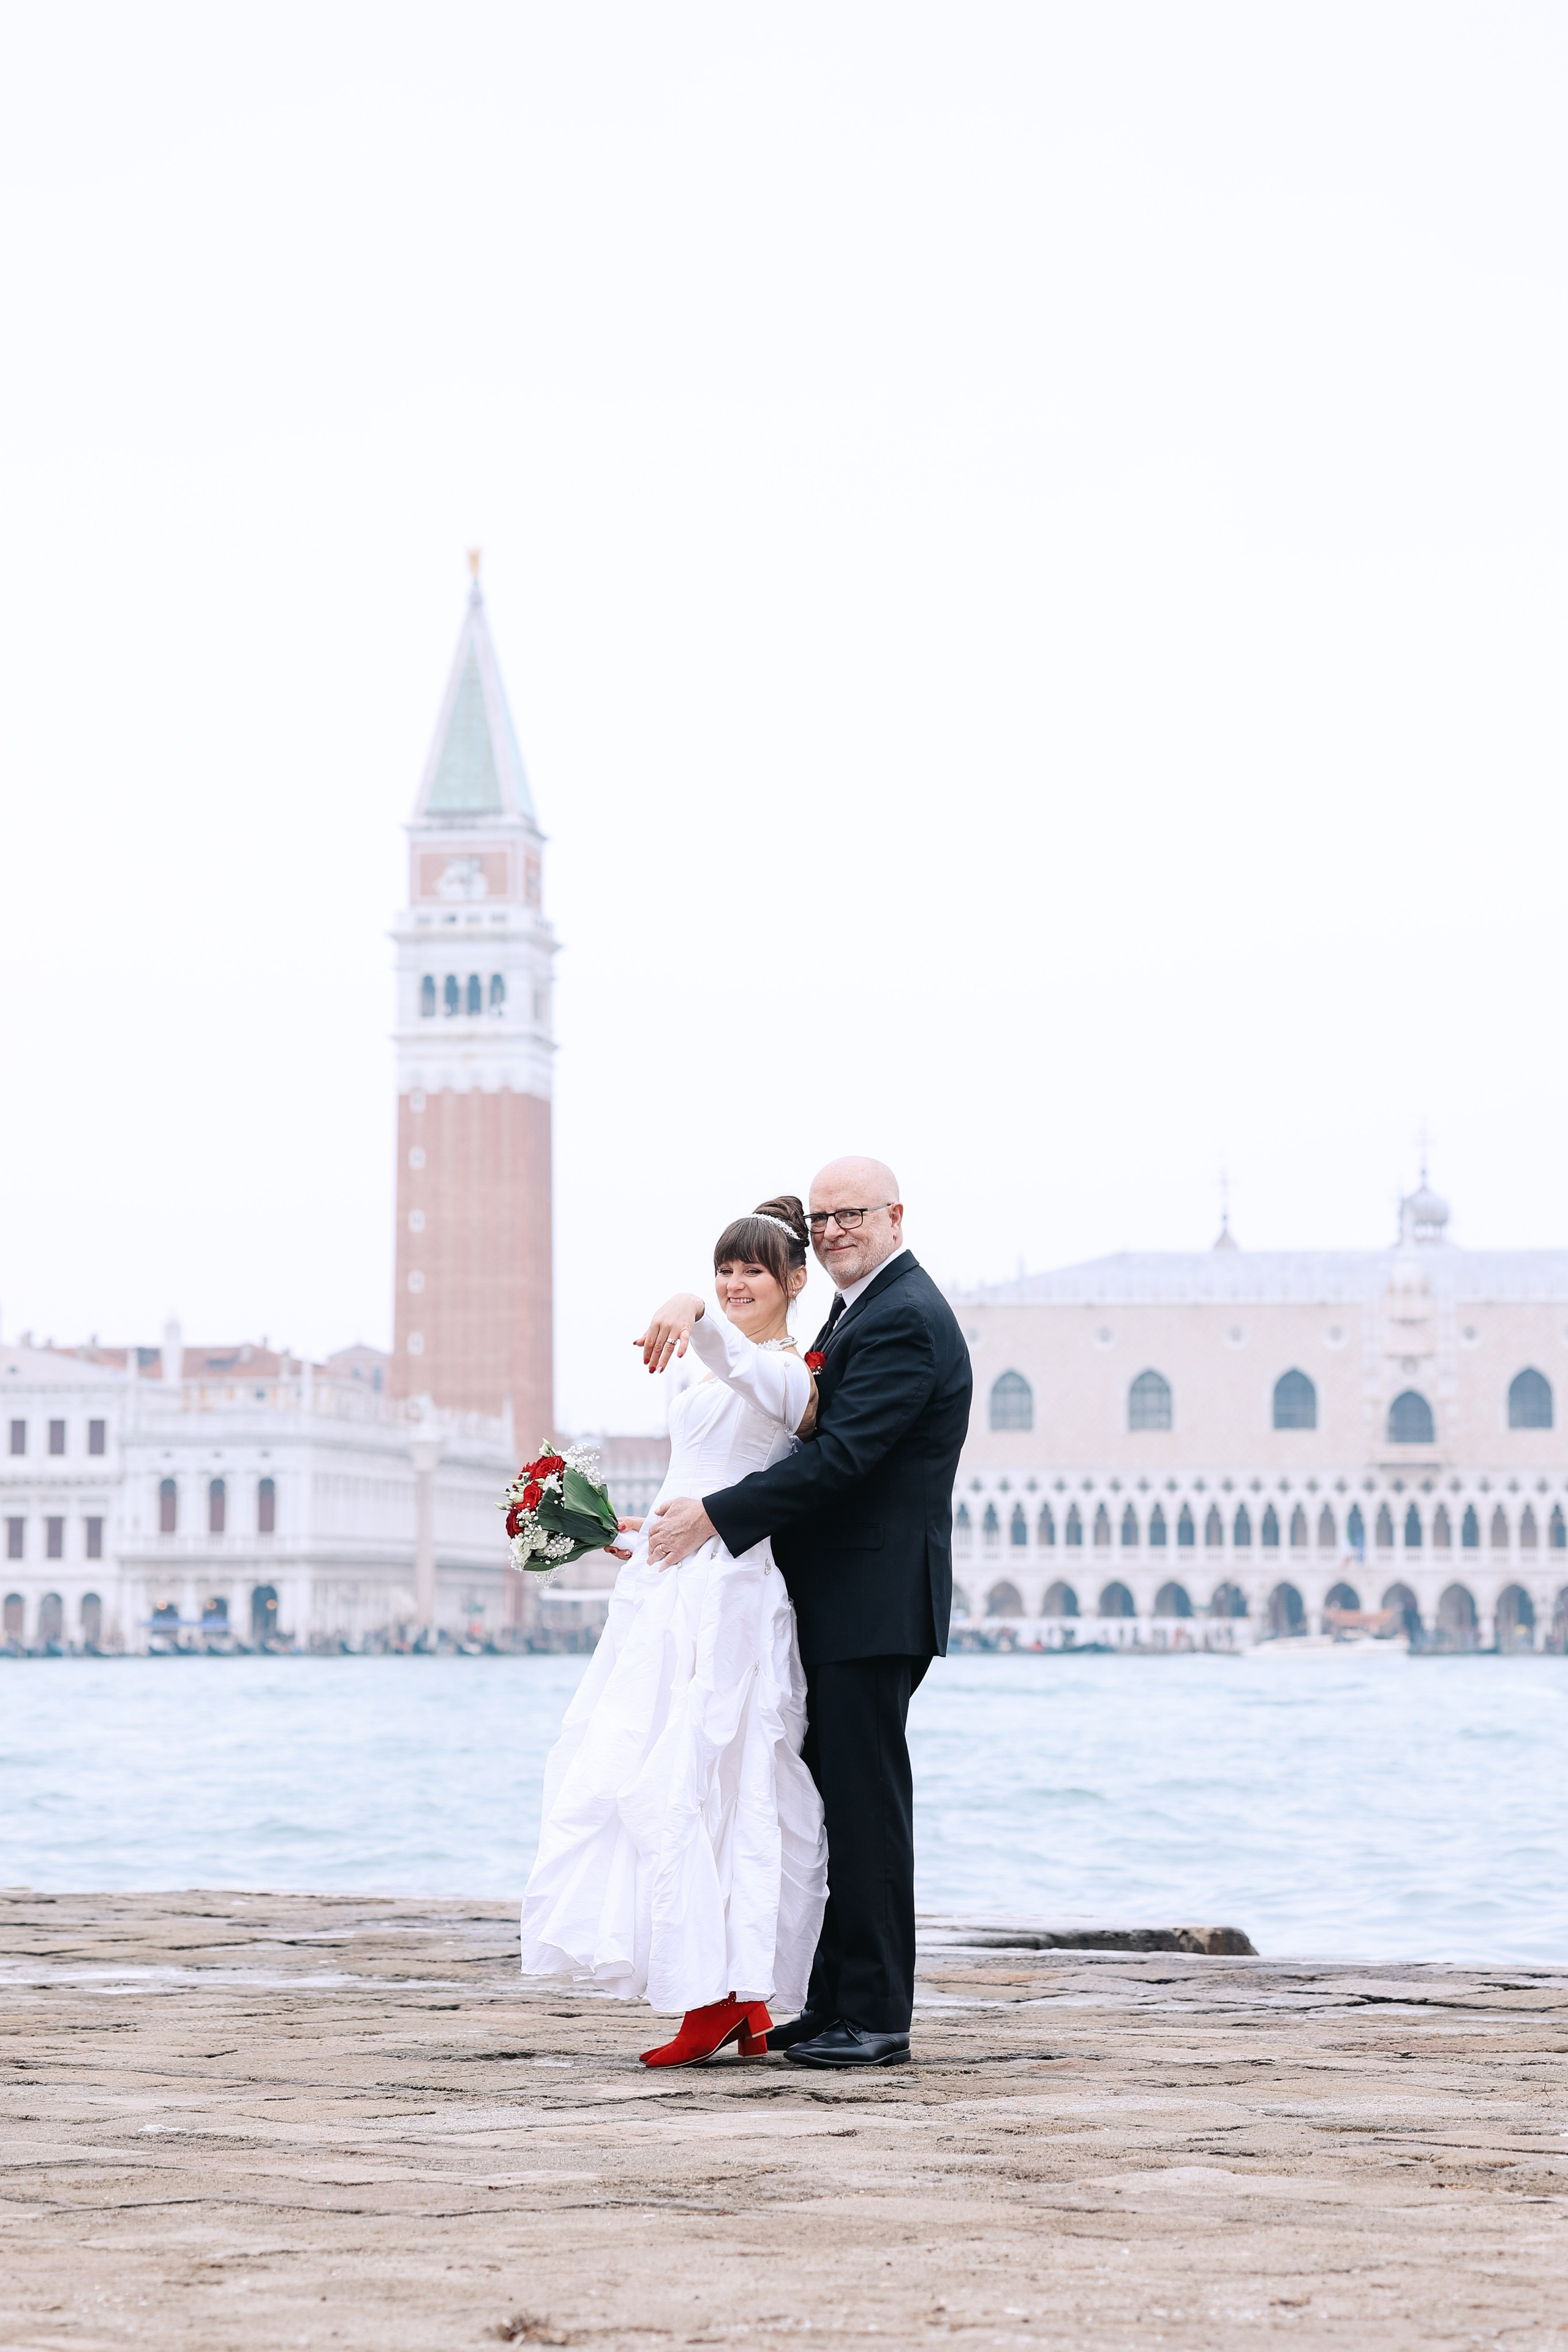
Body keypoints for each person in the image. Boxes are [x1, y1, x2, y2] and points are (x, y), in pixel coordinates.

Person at [647, 1157, 972, 2069]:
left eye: (850, 1215)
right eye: (821, 1217)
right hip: (839, 1598)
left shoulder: (905, 1317)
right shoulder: (863, 1307)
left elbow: (846, 1458)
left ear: (895, 1216)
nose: (831, 1230)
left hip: (873, 1601)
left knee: (868, 1812)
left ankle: (877, 2018)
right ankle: (832, 2006)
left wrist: (719, 1515)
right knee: (835, 1809)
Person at [518, 1197, 827, 2067]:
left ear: (793, 1283)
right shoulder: (701, 1373)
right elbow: (688, 1476)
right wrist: (618, 1531)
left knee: (714, 1777)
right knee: (648, 1762)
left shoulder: (789, 1374)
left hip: (730, 1591)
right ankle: (733, 1997)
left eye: (752, 1271)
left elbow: (740, 1376)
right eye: (725, 1271)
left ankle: (728, 1994)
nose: (734, 1285)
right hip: (668, 1582)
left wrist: (687, 1305)